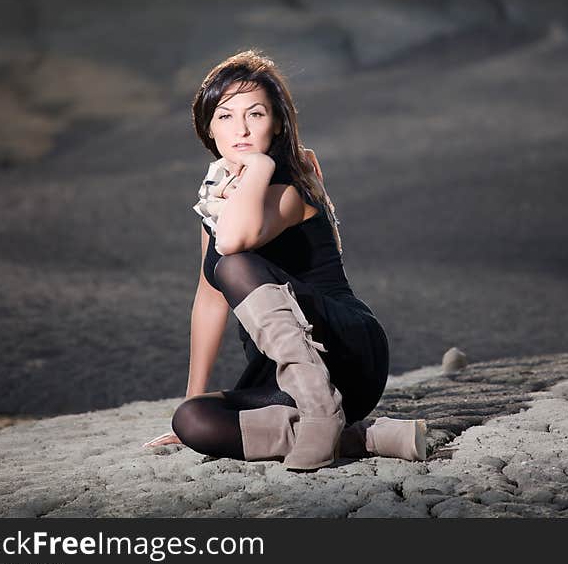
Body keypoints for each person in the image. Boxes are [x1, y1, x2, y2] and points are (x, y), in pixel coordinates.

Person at [143, 49, 426, 470]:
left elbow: (234, 243)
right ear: (208, 128)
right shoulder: (218, 207)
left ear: (276, 122)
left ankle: (323, 413)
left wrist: (257, 166)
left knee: (234, 265)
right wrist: (193, 395)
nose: (240, 128)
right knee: (193, 422)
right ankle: (363, 437)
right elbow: (209, 301)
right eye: (225, 116)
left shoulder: (289, 189)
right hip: (280, 372)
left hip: (345, 351)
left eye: (255, 114)